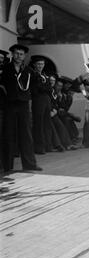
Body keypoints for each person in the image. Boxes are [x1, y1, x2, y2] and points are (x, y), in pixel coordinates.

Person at [1, 44, 42, 172]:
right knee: (8, 134)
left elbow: (36, 83)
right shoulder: (5, 69)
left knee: (26, 135)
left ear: (24, 56)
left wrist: (29, 94)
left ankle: (30, 164)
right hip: (10, 105)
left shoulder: (28, 70)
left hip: (24, 105)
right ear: (12, 54)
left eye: (21, 54)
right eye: (16, 53)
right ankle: (7, 166)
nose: (19, 56)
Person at [31, 55, 54, 154]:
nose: (40, 66)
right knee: (38, 125)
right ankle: (39, 148)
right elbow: (36, 90)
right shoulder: (33, 75)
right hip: (38, 101)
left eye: (42, 64)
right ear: (34, 65)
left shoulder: (45, 75)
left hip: (46, 101)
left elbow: (50, 89)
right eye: (38, 64)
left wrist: (44, 87)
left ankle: (48, 146)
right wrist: (45, 87)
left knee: (47, 124)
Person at [50, 77, 78, 151]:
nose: (59, 87)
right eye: (58, 85)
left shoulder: (64, 95)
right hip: (52, 113)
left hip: (57, 113)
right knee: (64, 121)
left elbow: (64, 108)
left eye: (61, 86)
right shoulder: (51, 92)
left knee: (67, 120)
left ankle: (70, 141)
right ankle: (67, 143)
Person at [59, 76, 80, 144]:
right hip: (57, 113)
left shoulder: (69, 98)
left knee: (69, 119)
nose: (72, 94)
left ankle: (74, 137)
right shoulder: (60, 94)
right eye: (67, 84)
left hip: (63, 114)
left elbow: (65, 109)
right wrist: (72, 116)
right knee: (68, 119)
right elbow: (60, 109)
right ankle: (71, 138)